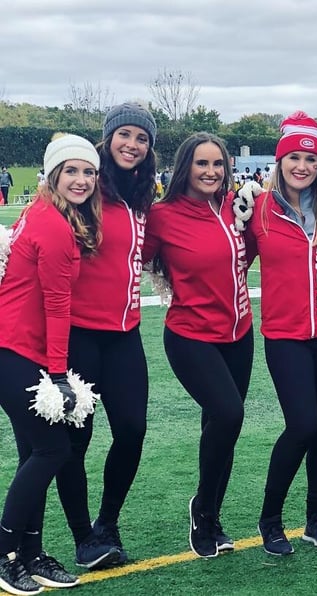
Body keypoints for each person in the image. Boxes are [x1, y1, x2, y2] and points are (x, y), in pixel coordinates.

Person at [55, 102, 158, 570]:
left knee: (132, 430)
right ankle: (82, 538)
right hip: (78, 334)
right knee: (76, 439)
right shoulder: (87, 188)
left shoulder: (142, 196)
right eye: (125, 135)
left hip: (125, 335)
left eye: (141, 138)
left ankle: (107, 523)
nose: (132, 145)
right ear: (108, 137)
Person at [142, 132, 254, 559]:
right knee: (228, 412)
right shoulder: (162, 215)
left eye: (218, 164)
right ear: (185, 166)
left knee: (223, 428)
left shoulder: (234, 207)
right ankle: (203, 509)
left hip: (239, 334)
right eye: (201, 164)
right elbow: (132, 257)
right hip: (190, 336)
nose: (211, 172)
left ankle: (211, 515)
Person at [0, 133, 102, 594]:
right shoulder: (55, 226)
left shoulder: (44, 212)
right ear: (54, 173)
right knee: (53, 451)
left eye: (89, 172)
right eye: (72, 170)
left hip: (17, 346)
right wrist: (59, 375)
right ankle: (5, 554)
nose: (81, 180)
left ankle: (31, 553)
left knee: (33, 453)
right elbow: (58, 304)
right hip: (18, 348)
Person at [245, 112, 317, 556]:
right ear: (281, 161)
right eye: (294, 158)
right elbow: (231, 259)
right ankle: (270, 519)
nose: (302, 166)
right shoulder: (258, 209)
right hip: (284, 334)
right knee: (302, 424)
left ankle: (316, 519)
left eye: (310, 158)